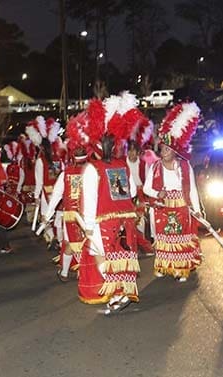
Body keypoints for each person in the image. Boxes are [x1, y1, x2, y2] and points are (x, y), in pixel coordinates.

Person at [80, 94, 143, 314]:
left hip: (102, 221)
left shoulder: (92, 168)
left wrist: (87, 227)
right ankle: (119, 294)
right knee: (121, 257)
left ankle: (117, 293)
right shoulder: (121, 164)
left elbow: (90, 200)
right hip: (125, 219)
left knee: (101, 254)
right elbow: (133, 192)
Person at [144, 102, 203, 282]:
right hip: (163, 208)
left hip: (181, 207)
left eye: (168, 149)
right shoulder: (154, 167)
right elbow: (147, 188)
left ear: (175, 151)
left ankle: (180, 269)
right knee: (163, 238)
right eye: (162, 149)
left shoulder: (185, 166)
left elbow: (192, 188)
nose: (164, 152)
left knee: (180, 238)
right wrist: (157, 194)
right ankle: (163, 266)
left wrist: (197, 209)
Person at [42, 144, 89, 283]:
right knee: (85, 244)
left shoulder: (66, 173)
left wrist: (48, 214)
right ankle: (73, 272)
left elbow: (56, 196)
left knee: (71, 243)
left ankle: (65, 273)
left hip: (73, 215)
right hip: (88, 214)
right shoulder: (93, 171)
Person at [27, 117, 64, 248]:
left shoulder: (40, 161)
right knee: (59, 218)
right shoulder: (58, 159)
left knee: (45, 217)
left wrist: (36, 197)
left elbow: (39, 182)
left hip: (46, 193)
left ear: (41, 147)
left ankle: (51, 238)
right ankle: (60, 242)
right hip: (60, 193)